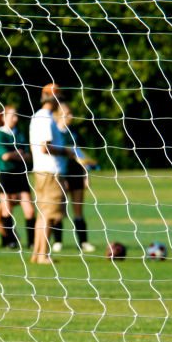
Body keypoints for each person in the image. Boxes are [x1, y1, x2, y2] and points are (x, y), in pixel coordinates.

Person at [29, 83, 73, 264]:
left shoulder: (37, 116)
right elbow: (45, 147)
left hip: (40, 170)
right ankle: (43, 255)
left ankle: (37, 253)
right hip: (50, 171)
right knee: (50, 214)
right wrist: (66, 152)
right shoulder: (46, 118)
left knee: (42, 214)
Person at [54, 102, 98, 253]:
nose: (71, 117)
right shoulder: (55, 132)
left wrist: (86, 174)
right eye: (68, 114)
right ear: (59, 115)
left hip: (77, 173)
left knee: (78, 210)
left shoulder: (74, 133)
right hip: (61, 174)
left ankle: (84, 242)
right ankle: (58, 241)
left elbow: (80, 155)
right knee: (59, 209)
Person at [0, 105, 34, 249]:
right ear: (3, 117)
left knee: (29, 209)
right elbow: (4, 156)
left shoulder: (20, 134)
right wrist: (19, 154)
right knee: (6, 209)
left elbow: (29, 156)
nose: (16, 118)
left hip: (21, 175)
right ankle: (9, 241)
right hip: (5, 175)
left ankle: (32, 242)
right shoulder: (0, 135)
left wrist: (16, 155)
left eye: (16, 115)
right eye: (13, 116)